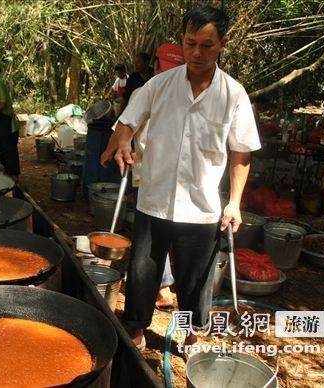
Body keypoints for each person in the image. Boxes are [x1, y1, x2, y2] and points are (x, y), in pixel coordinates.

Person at [101, 6, 260, 348]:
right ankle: (137, 329)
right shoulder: (159, 86)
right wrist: (124, 143)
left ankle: (193, 332)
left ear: (222, 44)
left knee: (195, 279)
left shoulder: (233, 95)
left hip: (201, 208)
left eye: (206, 45)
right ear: (182, 42)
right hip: (154, 198)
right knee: (144, 271)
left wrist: (234, 203)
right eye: (190, 44)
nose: (196, 53)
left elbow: (241, 153)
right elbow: (127, 121)